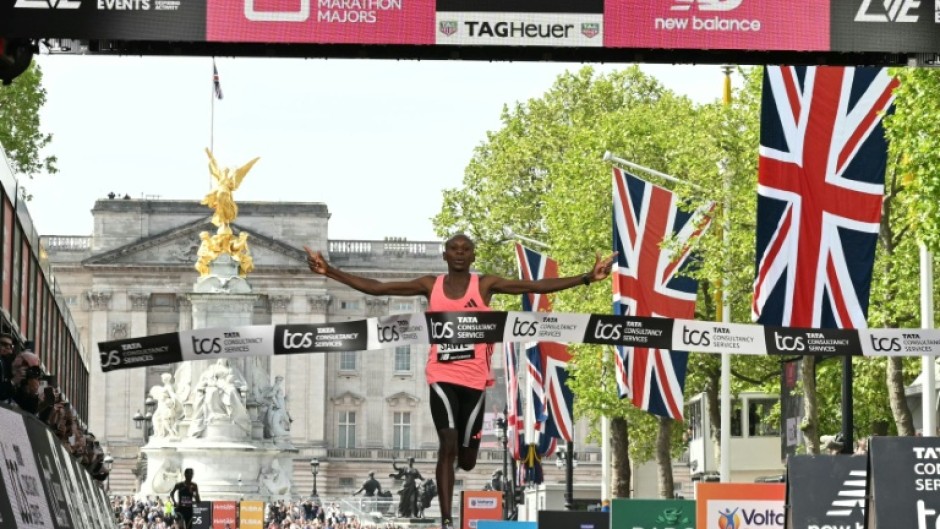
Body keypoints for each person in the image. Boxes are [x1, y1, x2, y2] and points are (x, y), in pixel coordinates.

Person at [305, 234, 616, 529]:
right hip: (441, 374)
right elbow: (378, 288)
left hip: (475, 380)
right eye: (453, 249)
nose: (459, 253)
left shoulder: (485, 286)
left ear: (473, 256)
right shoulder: (430, 285)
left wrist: (587, 277)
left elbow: (534, 285)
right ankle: (445, 520)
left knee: (467, 460)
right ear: (444, 255)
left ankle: (468, 452)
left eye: (465, 249)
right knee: (448, 442)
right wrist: (329, 271)